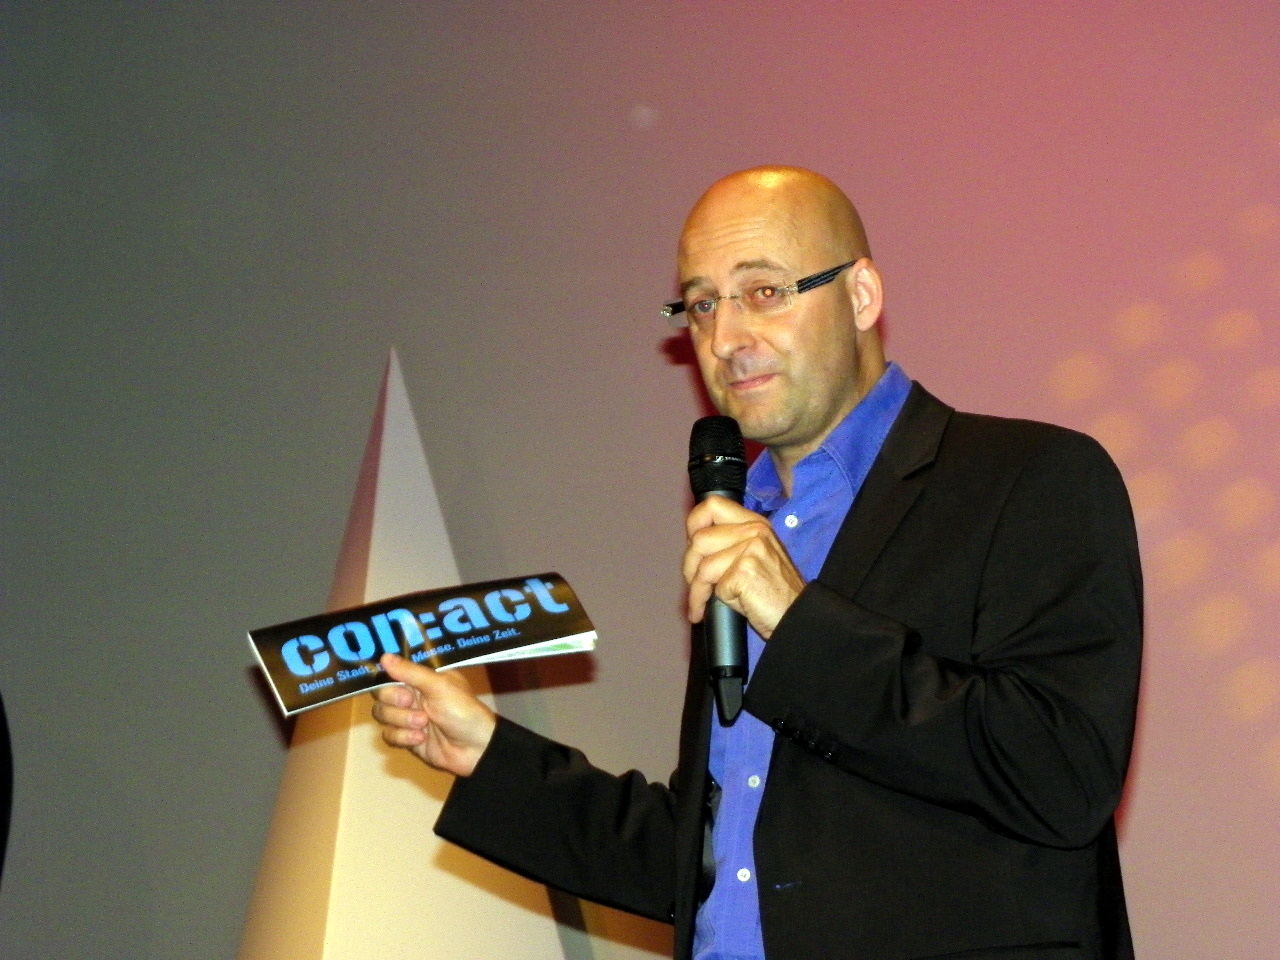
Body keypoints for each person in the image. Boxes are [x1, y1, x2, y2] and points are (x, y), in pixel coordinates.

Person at [373, 166, 1143, 960]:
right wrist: (490, 756)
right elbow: (718, 862)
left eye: (764, 292)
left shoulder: (1029, 479)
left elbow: (1061, 775)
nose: (725, 339)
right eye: (702, 304)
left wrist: (797, 620)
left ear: (861, 296)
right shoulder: (746, 525)